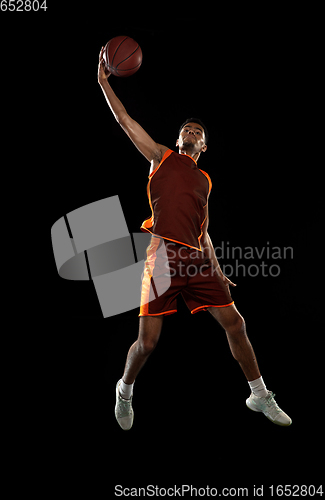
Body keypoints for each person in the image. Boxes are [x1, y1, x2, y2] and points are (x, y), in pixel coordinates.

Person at [97, 47, 292, 429]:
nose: (191, 132)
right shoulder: (160, 157)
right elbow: (124, 120)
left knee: (236, 324)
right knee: (148, 344)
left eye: (198, 132)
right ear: (178, 138)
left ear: (204, 146)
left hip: (198, 261)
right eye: (187, 129)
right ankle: (124, 390)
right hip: (162, 258)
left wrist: (217, 269)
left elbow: (203, 232)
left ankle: (259, 394)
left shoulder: (205, 180)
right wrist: (104, 82)